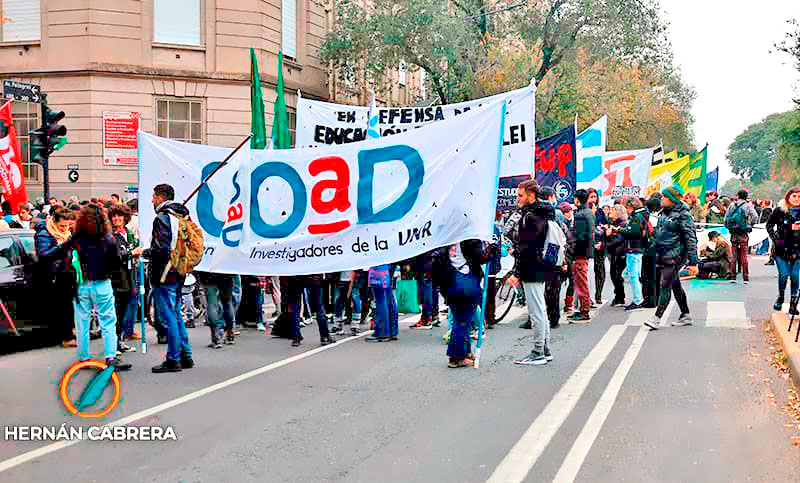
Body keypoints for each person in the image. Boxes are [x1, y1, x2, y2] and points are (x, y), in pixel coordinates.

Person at [131, 183, 194, 373]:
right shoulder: (181, 215)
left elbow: (162, 249)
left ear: (160, 196)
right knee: (176, 314)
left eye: (153, 196)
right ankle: (186, 355)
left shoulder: (162, 217)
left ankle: (173, 359)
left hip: (165, 272)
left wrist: (144, 251)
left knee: (169, 317)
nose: (152, 200)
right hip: (179, 270)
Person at [70, 204, 131, 370]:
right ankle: (110, 357)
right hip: (102, 283)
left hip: (81, 284)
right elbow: (116, 261)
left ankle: (84, 358)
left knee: (82, 322)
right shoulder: (108, 239)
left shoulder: (76, 239)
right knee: (108, 321)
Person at [511, 180, 559, 365]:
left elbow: (527, 248)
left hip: (532, 267)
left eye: (520, 195)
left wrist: (517, 272)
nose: (518, 199)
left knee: (536, 311)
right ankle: (544, 349)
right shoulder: (541, 213)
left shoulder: (531, 216)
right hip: (540, 266)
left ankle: (538, 351)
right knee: (540, 309)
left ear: (531, 195)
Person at [644, 185, 698, 330]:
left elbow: (691, 238)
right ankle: (685, 314)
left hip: (674, 256)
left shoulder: (683, 215)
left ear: (672, 199)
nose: (661, 198)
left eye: (665, 196)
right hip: (662, 254)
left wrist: (693, 262)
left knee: (665, 284)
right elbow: (660, 233)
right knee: (675, 285)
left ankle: (656, 318)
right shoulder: (664, 213)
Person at [438, 239, 490, 368]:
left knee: (461, 319)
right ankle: (457, 357)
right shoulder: (468, 237)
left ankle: (465, 352)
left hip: (450, 280)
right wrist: (491, 251)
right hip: (464, 281)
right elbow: (480, 257)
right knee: (462, 321)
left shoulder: (449, 235)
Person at [34, 207, 77, 348]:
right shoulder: (44, 233)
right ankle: (65, 337)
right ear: (54, 221)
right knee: (61, 306)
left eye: (68, 225)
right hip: (54, 274)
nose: (65, 228)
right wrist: (64, 246)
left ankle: (69, 332)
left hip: (66, 272)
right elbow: (44, 254)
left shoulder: (65, 232)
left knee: (68, 305)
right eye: (62, 226)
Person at [109, 204, 138, 352]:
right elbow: (116, 257)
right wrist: (133, 253)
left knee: (123, 311)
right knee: (117, 312)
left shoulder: (128, 233)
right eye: (114, 216)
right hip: (117, 279)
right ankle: (114, 344)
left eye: (119, 216)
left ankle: (120, 341)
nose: (116, 219)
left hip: (129, 276)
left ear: (126, 218)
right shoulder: (111, 235)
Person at [766, 189, 800, 313]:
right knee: (784, 275)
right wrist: (775, 239)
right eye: (794, 196)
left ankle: (793, 304)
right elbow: (769, 225)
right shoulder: (779, 210)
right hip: (781, 249)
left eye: (799, 197)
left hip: (797, 250)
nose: (796, 199)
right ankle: (780, 298)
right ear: (788, 197)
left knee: (796, 276)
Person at [617, 196, 649, 310]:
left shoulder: (637, 217)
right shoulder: (642, 215)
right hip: (637, 249)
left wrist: (619, 230)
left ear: (631, 206)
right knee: (631, 275)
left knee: (632, 276)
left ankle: (637, 300)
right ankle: (638, 299)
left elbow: (633, 232)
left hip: (634, 249)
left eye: (627, 207)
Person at [570, 189, 594, 322]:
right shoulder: (589, 212)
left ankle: (584, 311)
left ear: (578, 200)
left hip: (580, 252)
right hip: (585, 251)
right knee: (581, 281)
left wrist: (571, 250)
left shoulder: (580, 215)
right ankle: (583, 309)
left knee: (581, 283)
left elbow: (578, 237)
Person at [725, 189, 759, 284]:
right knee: (744, 255)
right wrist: (749, 225)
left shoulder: (732, 205)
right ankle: (745, 277)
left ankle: (732, 276)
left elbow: (726, 219)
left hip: (734, 233)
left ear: (738, 196)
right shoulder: (748, 205)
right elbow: (755, 216)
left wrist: (730, 228)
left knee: (734, 255)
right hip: (743, 233)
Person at [197, 272, 237, 348]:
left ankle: (216, 338)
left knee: (212, 304)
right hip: (227, 273)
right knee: (228, 302)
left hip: (209, 274)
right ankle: (230, 334)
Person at [366, 264, 397, 342]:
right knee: (388, 297)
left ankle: (382, 332)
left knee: (380, 298)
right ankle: (392, 331)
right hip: (390, 265)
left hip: (380, 264)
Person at [604, 205, 628, 307]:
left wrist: (607, 237)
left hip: (620, 254)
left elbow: (618, 239)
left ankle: (620, 297)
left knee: (616, 275)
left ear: (618, 212)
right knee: (614, 275)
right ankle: (618, 296)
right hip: (614, 253)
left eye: (613, 210)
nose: (610, 211)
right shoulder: (613, 223)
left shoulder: (622, 224)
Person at [588, 189, 607, 305]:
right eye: (591, 197)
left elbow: (605, 226)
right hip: (588, 246)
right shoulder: (585, 211)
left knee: (600, 271)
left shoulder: (600, 211)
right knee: (588, 273)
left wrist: (602, 241)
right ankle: (587, 297)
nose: (594, 199)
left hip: (600, 246)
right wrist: (592, 214)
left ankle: (598, 294)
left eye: (595, 197)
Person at [559, 202, 576, 314]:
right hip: (563, 256)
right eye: (566, 212)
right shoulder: (560, 224)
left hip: (570, 255)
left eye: (570, 211)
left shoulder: (573, 223)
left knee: (571, 280)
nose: (569, 214)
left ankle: (568, 303)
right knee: (559, 281)